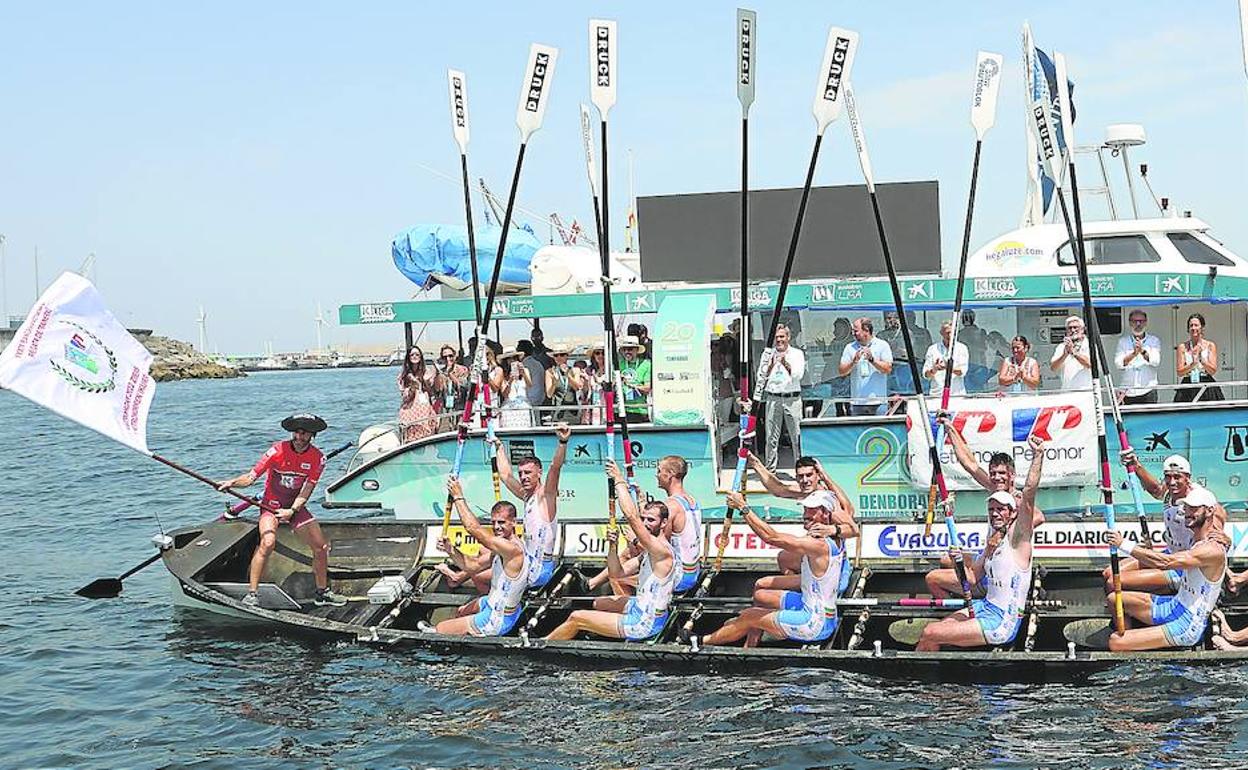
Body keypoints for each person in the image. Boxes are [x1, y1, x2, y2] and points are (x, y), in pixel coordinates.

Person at [916, 435, 1046, 651]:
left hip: (1001, 621)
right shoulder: (991, 542)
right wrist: (960, 561)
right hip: (986, 604)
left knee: (930, 632)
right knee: (931, 632)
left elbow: (1032, 495)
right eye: (991, 509)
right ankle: (929, 679)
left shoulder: (1018, 528)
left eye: (1001, 509)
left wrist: (1038, 455)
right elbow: (973, 577)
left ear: (1013, 512)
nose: (995, 513)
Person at [684, 487, 854, 649]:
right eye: (805, 509)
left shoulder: (819, 544)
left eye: (811, 510)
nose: (805, 514)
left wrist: (743, 508)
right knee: (761, 595)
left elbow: (771, 537)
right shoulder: (837, 534)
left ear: (825, 514)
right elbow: (851, 524)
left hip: (814, 623)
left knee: (750, 616)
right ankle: (751, 644)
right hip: (819, 610)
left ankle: (701, 641)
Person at [215, 414, 346, 608]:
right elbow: (251, 477)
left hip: (295, 506)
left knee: (321, 547)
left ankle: (322, 593)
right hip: (270, 505)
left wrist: (292, 510)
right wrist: (232, 483)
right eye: (297, 433)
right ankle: (252, 594)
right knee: (267, 543)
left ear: (312, 436)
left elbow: (307, 489)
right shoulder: (276, 451)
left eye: (305, 434)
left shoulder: (318, 458)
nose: (300, 437)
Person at [546, 460, 677, 641]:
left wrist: (618, 479)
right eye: (644, 519)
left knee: (577, 617)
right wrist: (613, 547)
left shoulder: (661, 551)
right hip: (639, 606)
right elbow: (617, 573)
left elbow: (632, 517)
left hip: (644, 623)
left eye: (651, 521)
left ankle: (541, 646)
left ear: (663, 524)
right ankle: (594, 632)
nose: (646, 524)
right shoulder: (649, 553)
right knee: (597, 603)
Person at [926, 417, 1047, 598]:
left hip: (1001, 567)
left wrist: (1002, 532)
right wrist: (950, 428)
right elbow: (970, 464)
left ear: (1012, 475)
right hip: (987, 556)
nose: (996, 478)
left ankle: (962, 608)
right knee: (945, 559)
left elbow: (1039, 516)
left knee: (932, 578)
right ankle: (962, 594)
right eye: (993, 474)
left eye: (1001, 474)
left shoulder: (1017, 498)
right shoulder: (994, 488)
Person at [1105, 486, 1228, 651]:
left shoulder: (1211, 549)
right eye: (1186, 507)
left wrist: (1123, 544)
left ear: (1210, 511)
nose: (1187, 512)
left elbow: (1166, 562)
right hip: (1175, 604)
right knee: (1114, 599)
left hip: (1188, 623)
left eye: (1194, 508)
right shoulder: (1196, 537)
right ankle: (1133, 643)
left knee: (1114, 642)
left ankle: (1127, 644)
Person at [1108, 453, 1228, 595]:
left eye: (1177, 477)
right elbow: (1156, 490)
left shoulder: (1201, 499)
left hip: (1182, 565)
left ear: (1188, 478)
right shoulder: (1170, 492)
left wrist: (1224, 539)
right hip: (1169, 553)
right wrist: (1136, 466)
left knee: (1114, 582)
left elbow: (1218, 517)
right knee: (1108, 573)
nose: (1171, 482)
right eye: (1168, 477)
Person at [746, 452, 856, 593]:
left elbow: (849, 515)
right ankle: (803, 591)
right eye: (800, 476)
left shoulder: (827, 499)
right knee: (783, 558)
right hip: (817, 555)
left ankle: (809, 590)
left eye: (809, 475)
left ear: (818, 476)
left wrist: (833, 530)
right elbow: (778, 489)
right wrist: (755, 463)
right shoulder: (805, 492)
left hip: (833, 566)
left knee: (762, 587)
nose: (804, 480)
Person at [432, 479, 528, 637]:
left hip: (496, 619)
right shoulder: (501, 548)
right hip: (492, 604)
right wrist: (451, 550)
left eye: (502, 523)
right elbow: (472, 566)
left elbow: (472, 528)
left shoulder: (512, 549)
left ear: (514, 523)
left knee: (440, 628)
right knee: (462, 610)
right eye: (494, 522)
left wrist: (458, 496)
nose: (496, 527)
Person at [494, 423, 570, 591]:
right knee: (489, 556)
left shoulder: (546, 495)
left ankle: (461, 577)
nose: (523, 477)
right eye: (521, 473)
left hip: (540, 571)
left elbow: (555, 468)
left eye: (528, 473)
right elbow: (506, 476)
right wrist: (498, 447)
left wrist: (563, 442)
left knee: (484, 568)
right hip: (528, 562)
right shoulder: (526, 496)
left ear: (539, 472)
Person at [761, 323, 806, 471]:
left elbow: (798, 375)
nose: (779, 340)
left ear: (788, 337)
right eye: (776, 337)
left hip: (792, 399)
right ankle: (770, 471)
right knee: (771, 438)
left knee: (797, 437)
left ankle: (801, 469)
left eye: (782, 337)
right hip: (773, 398)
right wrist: (771, 365)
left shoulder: (797, 353)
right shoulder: (768, 354)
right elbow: (760, 378)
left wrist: (785, 363)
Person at [837, 317, 893, 416]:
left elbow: (888, 369)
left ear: (866, 330)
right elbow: (842, 371)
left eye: (856, 331)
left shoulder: (882, 345)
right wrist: (853, 362)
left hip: (878, 401)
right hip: (857, 402)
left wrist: (872, 360)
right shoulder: (850, 347)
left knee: (878, 430)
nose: (853, 334)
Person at [1115, 309, 1161, 405]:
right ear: (1129, 323)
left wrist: (1142, 351)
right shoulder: (1123, 341)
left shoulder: (1154, 341)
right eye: (1134, 321)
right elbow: (1119, 364)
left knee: (1150, 420)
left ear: (1146, 323)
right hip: (1128, 391)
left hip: (1148, 390)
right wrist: (1133, 354)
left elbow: (1156, 361)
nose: (1138, 324)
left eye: (1141, 321)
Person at [1174, 312, 1223, 403]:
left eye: (1196, 325)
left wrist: (1202, 360)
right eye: (1191, 325)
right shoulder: (1182, 347)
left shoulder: (1210, 345)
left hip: (1206, 384)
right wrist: (1193, 364)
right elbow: (1180, 372)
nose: (1193, 328)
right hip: (1188, 384)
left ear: (1202, 327)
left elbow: (1213, 370)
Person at [398, 346, 442, 442]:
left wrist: (436, 374)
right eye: (412, 354)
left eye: (417, 354)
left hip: (425, 408)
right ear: (408, 357)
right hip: (409, 410)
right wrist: (413, 387)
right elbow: (405, 397)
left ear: (421, 357)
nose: (414, 356)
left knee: (427, 434)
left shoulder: (427, 372)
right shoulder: (403, 376)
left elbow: (433, 392)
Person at [922, 320, 970, 396]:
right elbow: (926, 375)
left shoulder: (962, 348)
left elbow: (962, 372)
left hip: (957, 394)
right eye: (948, 333)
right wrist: (934, 370)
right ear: (941, 333)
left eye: (953, 333)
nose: (950, 336)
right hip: (936, 394)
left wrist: (949, 368)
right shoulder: (932, 349)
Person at [493, 346, 533, 429]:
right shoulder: (503, 374)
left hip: (523, 406)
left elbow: (530, 385)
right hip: (509, 408)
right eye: (509, 358)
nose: (512, 360)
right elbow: (504, 394)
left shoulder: (525, 370)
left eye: (514, 358)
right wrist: (510, 380)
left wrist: (523, 373)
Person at [544, 343, 584, 424]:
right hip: (557, 412)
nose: (559, 358)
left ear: (567, 356)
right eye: (556, 355)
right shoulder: (550, 372)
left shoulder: (575, 370)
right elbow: (549, 394)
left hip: (573, 411)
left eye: (562, 355)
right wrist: (554, 383)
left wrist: (568, 376)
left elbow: (577, 387)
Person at [1049, 315, 1092, 390]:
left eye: (1075, 327)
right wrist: (1065, 354)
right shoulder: (1061, 347)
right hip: (1067, 391)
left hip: (1085, 391)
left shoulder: (1090, 345)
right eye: (1070, 328)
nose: (1072, 330)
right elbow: (1053, 368)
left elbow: (1089, 364)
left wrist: (1073, 352)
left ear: (1082, 329)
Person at [617, 335, 652, 422]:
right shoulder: (618, 364)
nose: (626, 352)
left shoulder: (646, 364)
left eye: (630, 349)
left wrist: (631, 385)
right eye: (624, 349)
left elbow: (647, 388)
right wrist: (617, 381)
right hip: (621, 410)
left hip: (639, 410)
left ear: (637, 350)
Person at [438, 344, 471, 432]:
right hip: (447, 408)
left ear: (455, 356)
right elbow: (438, 391)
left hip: (460, 406)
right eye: (445, 357)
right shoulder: (440, 372)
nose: (448, 359)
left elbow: (463, 387)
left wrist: (451, 375)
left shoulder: (463, 370)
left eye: (450, 356)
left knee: (460, 431)